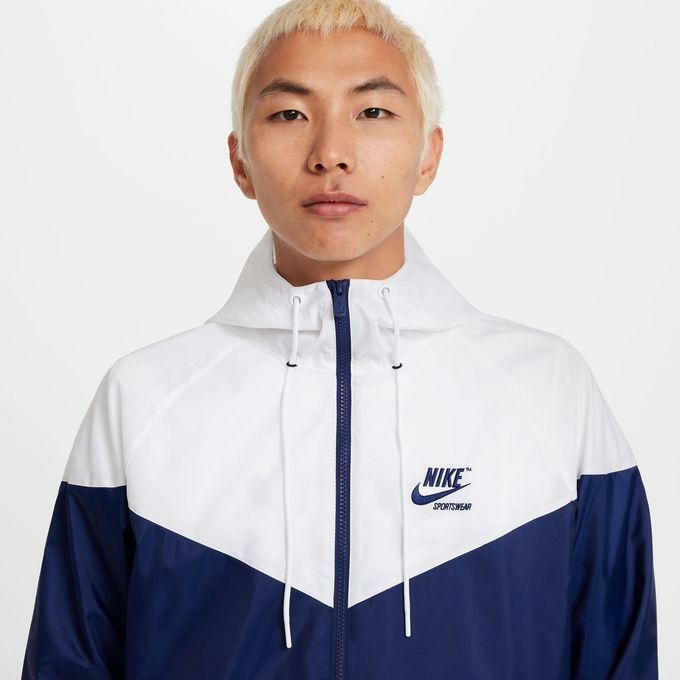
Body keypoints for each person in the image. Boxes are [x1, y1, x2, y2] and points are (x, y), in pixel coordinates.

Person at [22, 0, 658, 678]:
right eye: (289, 114)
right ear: (240, 161)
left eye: (373, 111)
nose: (330, 153)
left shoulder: (549, 392)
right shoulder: (143, 400)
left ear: (428, 155)